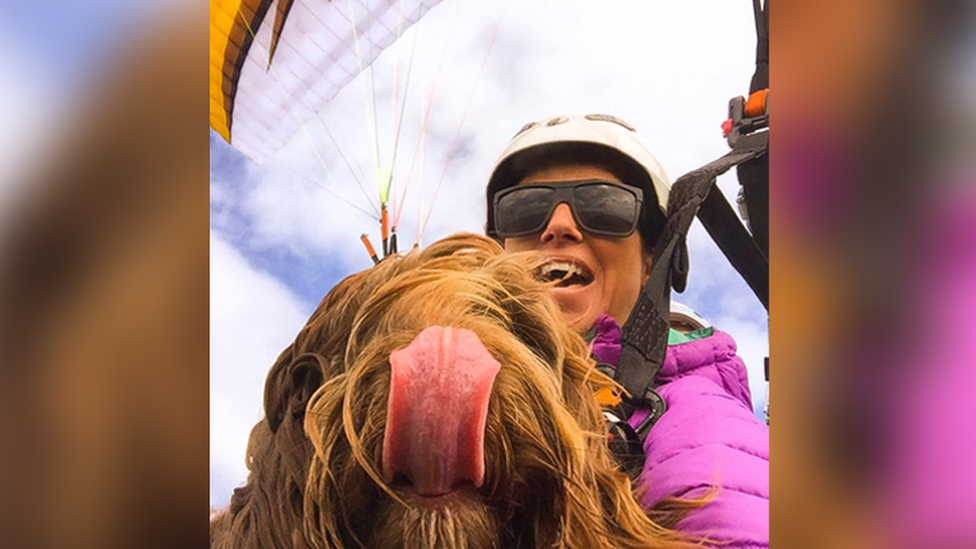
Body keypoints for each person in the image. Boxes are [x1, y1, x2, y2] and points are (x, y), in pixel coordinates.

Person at [485, 113, 769, 547]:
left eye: (604, 205)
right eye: (525, 209)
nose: (558, 226)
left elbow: (728, 511)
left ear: (651, 264)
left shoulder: (689, 412)